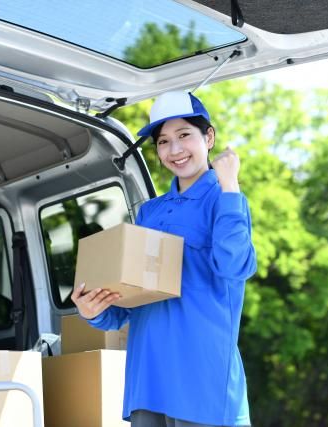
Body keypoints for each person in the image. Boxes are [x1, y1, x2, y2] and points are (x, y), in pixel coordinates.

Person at [71, 90, 256, 427]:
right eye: (163, 141)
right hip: (148, 379)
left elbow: (235, 266)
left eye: (184, 135)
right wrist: (93, 311)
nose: (174, 150)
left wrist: (230, 185)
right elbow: (130, 301)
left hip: (202, 380)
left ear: (209, 137)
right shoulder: (150, 212)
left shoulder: (225, 198)